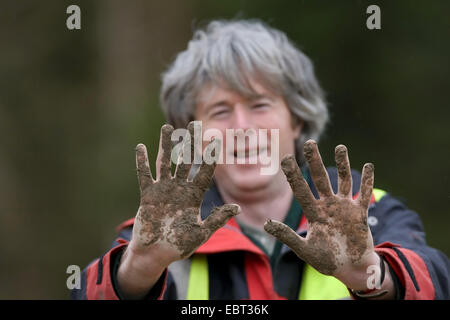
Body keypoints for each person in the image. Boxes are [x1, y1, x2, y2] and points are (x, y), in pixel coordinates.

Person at [71, 19, 449, 300]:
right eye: (220, 111)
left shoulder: (373, 210)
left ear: (297, 118)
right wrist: (138, 270)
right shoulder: (160, 227)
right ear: (193, 130)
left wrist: (375, 277)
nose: (242, 127)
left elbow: (436, 283)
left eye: (260, 104)